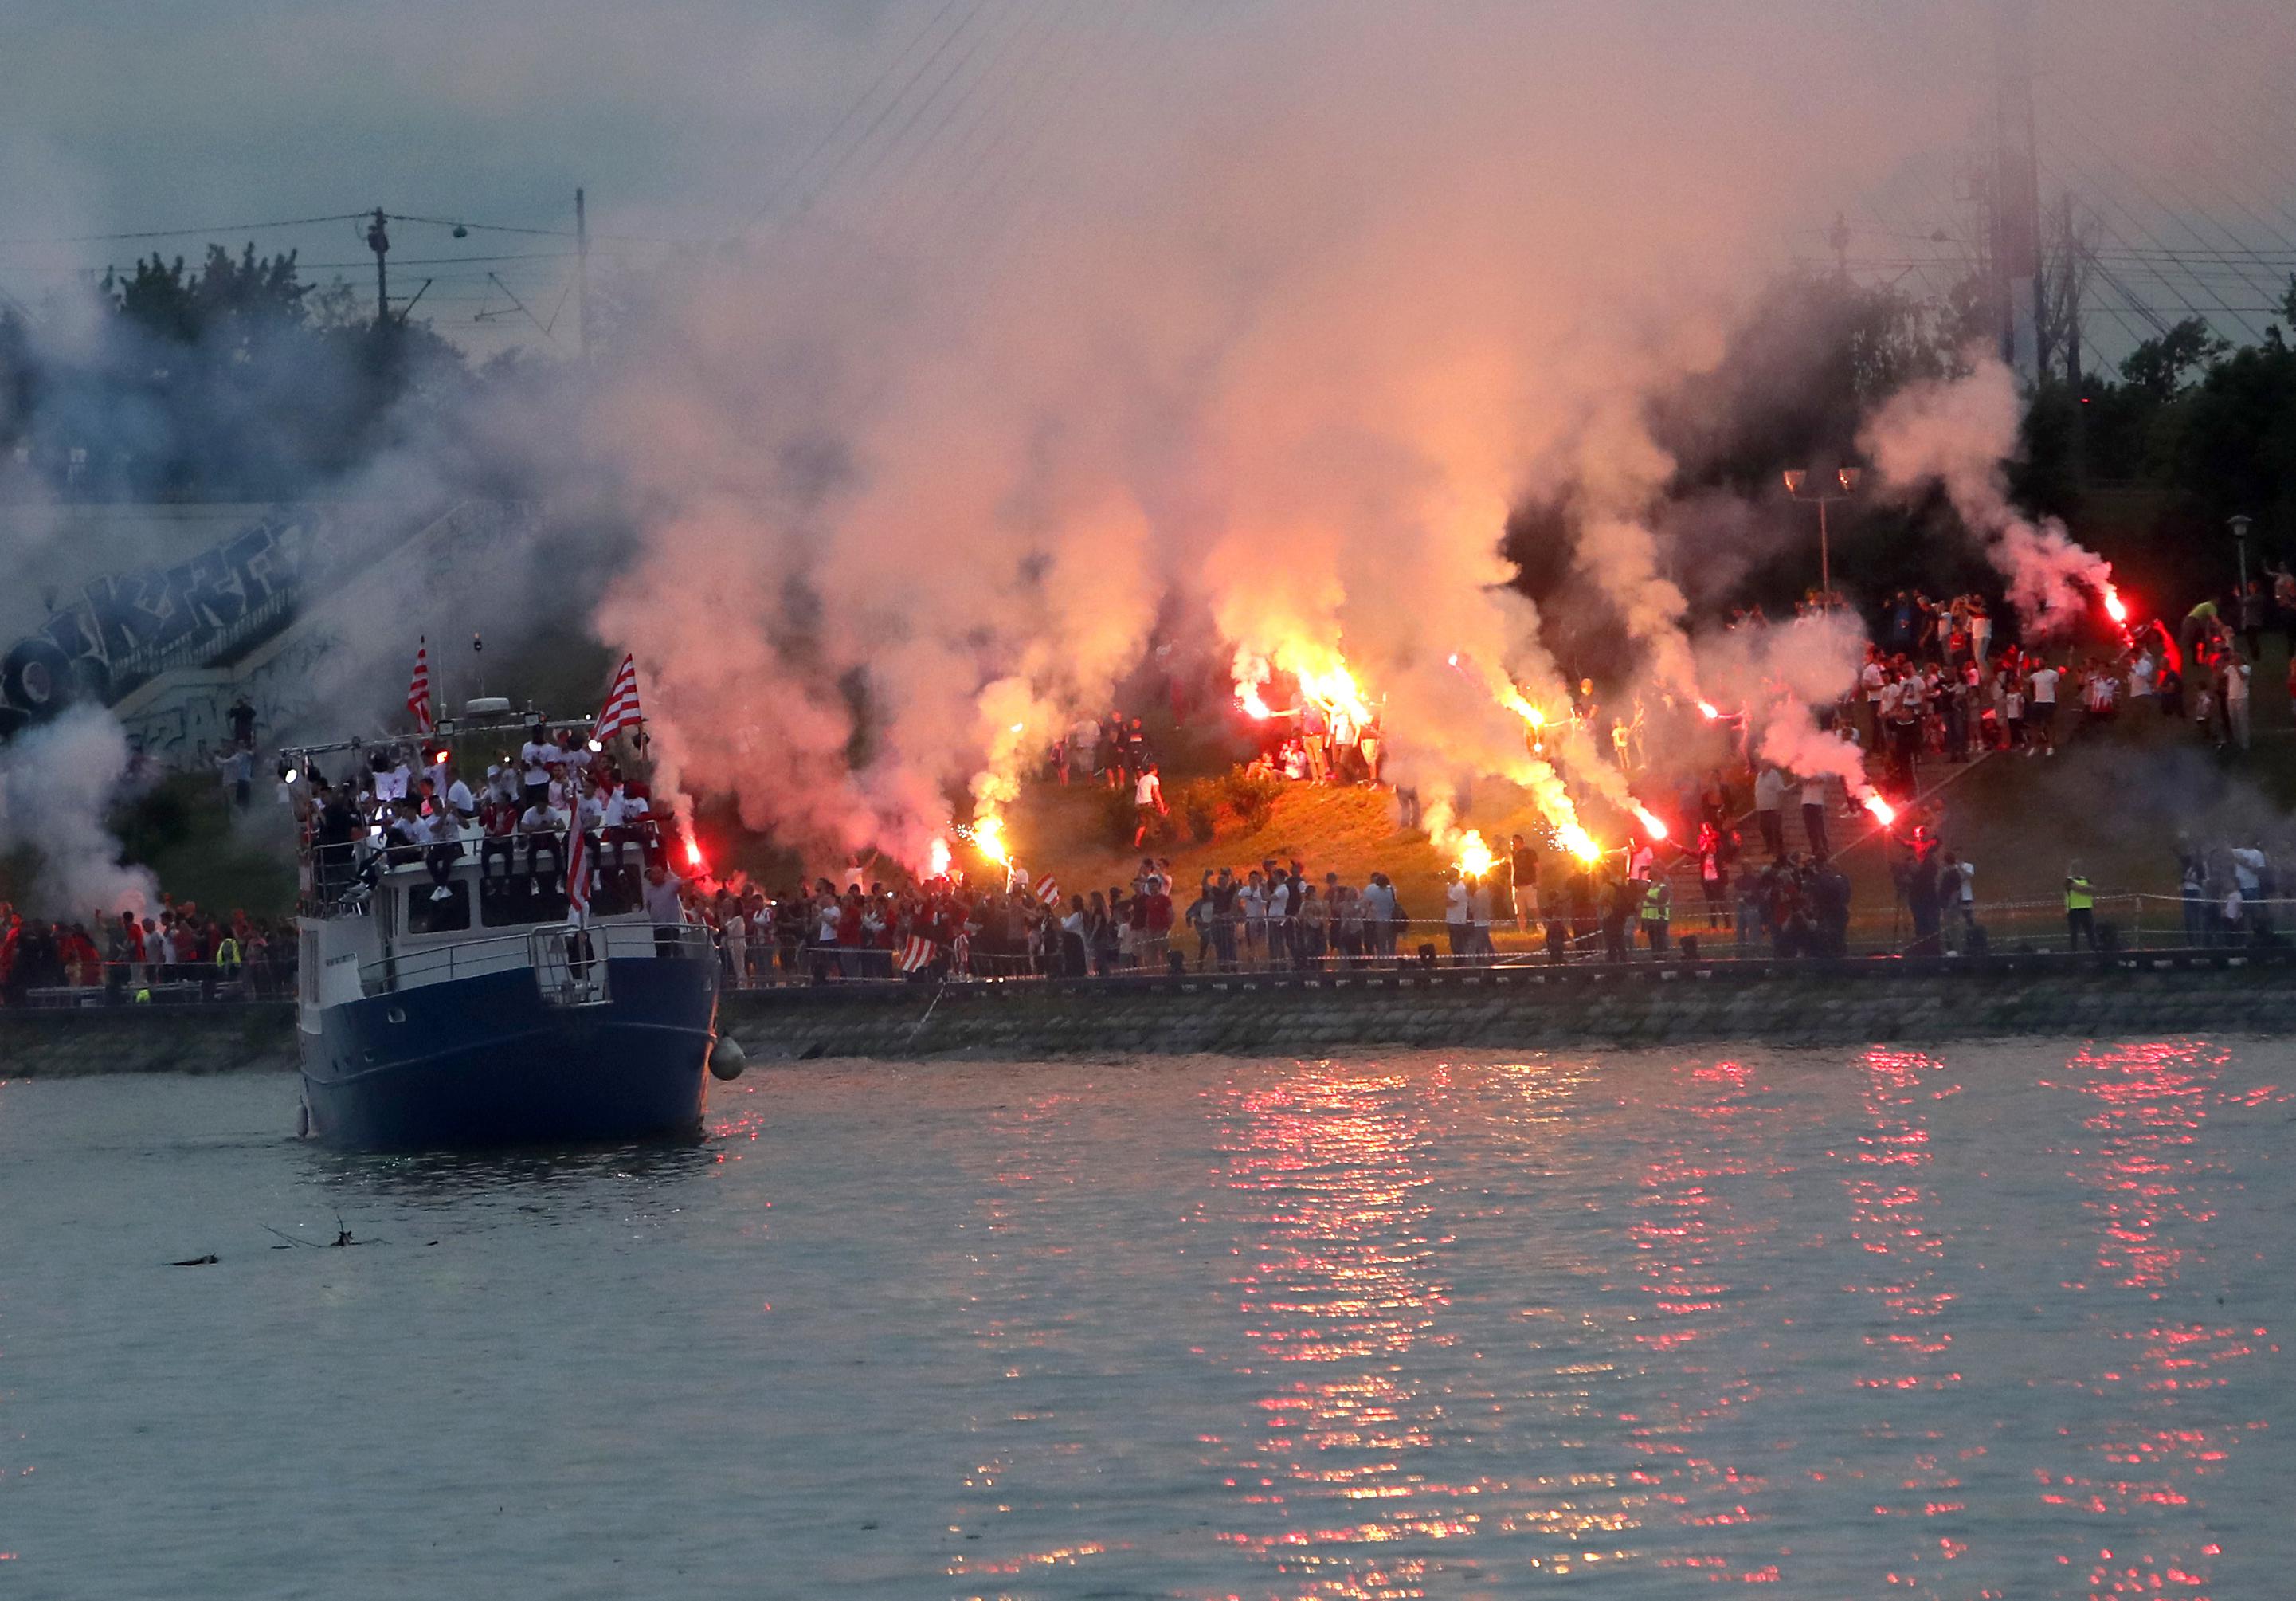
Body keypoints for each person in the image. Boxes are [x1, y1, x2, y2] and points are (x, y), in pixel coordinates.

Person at [1132, 763, 1168, 849]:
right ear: (1156, 770)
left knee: (1143, 824)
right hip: (1147, 803)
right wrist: (1161, 804)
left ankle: (1136, 844)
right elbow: (1156, 792)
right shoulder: (1154, 779)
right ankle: (1157, 834)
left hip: (1138, 804)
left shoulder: (1142, 779)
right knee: (1161, 815)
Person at [1507, 834, 1538, 932]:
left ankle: (1540, 925)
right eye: (1511, 842)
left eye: (1514, 842)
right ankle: (1522, 930)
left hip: (1529, 884)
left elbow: (1537, 867)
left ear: (1520, 842)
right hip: (1517, 886)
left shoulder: (1530, 852)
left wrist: (1537, 881)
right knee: (1520, 911)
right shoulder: (1512, 854)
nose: (1512, 844)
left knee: (1534, 908)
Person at [1753, 764, 1786, 859]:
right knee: (1764, 829)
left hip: (1773, 808)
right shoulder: (1759, 776)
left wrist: (1780, 807)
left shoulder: (1774, 775)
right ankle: (1769, 848)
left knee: (1776, 830)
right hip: (1762, 809)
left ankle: (1779, 850)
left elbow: (1781, 791)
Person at [2064, 861, 2097, 952]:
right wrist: (2086, 889)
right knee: (2074, 934)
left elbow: (2093, 889)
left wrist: (2084, 889)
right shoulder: (2069, 881)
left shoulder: (2086, 879)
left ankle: (2094, 951)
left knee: (2091, 932)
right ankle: (2074, 953)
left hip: (2086, 909)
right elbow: (2078, 889)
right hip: (2074, 910)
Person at [1800, 773, 1831, 862]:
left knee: (1820, 828)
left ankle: (1825, 849)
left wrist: (1807, 778)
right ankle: (1815, 850)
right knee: (1810, 829)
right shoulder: (1804, 769)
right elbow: (1798, 779)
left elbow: (1816, 780)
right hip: (1806, 802)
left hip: (1817, 803)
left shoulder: (1822, 770)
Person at [1639, 873, 1671, 955]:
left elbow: (1661, 902)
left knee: (1661, 941)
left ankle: (1663, 958)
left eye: (1653, 880)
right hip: (1651, 919)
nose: (1651, 882)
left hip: (1660, 918)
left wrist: (1648, 898)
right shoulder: (1651, 889)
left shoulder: (1663, 889)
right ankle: (1656, 957)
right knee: (1653, 941)